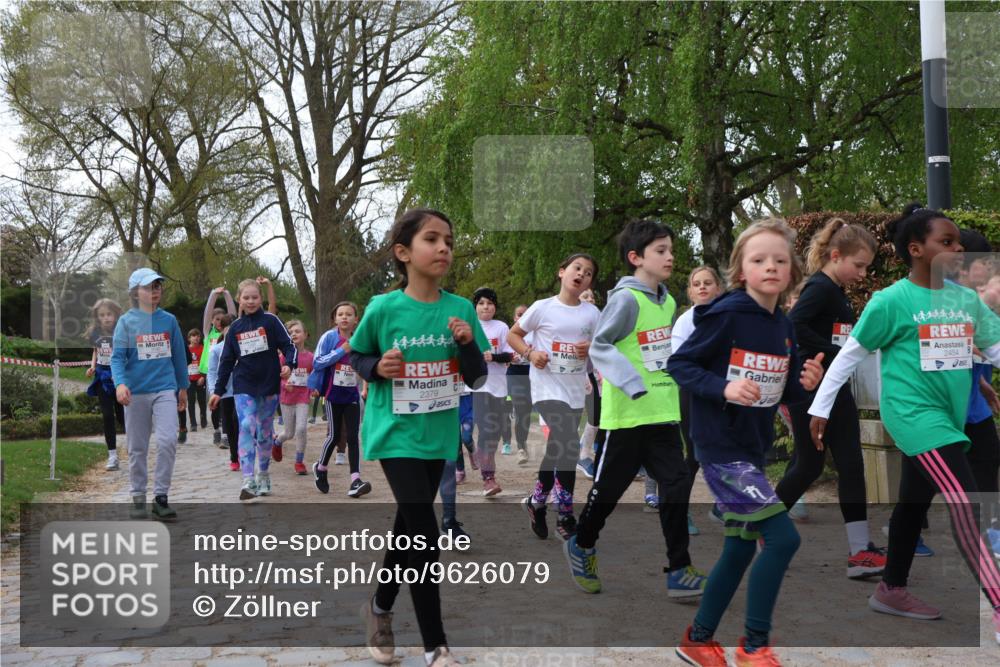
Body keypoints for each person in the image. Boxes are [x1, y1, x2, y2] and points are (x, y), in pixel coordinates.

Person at [808, 205, 1000, 641]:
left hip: (948, 417)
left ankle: (892, 589)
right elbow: (850, 356)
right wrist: (819, 407)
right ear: (916, 250)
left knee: (913, 503)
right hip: (913, 416)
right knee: (966, 503)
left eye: (957, 243)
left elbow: (995, 347)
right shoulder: (891, 301)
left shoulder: (965, 300)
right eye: (946, 243)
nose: (957, 250)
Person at [669, 218, 824, 665]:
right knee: (782, 539)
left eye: (779, 260)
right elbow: (681, 365)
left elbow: (785, 391)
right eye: (759, 260)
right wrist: (723, 387)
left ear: (792, 271)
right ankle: (754, 647)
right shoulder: (727, 313)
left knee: (738, 549)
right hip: (721, 452)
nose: (771, 267)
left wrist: (806, 381)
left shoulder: (784, 325)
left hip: (750, 453)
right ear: (741, 270)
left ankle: (698, 639)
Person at [349, 208, 488, 667]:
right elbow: (358, 354)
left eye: (449, 239)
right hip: (395, 433)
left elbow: (479, 376)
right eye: (432, 239)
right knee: (425, 533)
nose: (444, 247)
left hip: (438, 434)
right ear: (403, 252)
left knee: (408, 529)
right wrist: (376, 368)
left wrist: (467, 344)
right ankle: (436, 645)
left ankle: (380, 606)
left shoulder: (461, 309)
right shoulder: (384, 308)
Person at [566, 219, 709, 598]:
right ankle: (581, 542)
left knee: (676, 485)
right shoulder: (626, 299)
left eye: (671, 250)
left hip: (662, 413)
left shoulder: (668, 303)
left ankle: (679, 569)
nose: (670, 257)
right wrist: (631, 383)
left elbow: (662, 353)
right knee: (608, 491)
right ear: (635, 258)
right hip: (627, 417)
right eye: (661, 251)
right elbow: (600, 346)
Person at [772, 217, 887, 579]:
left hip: (835, 388)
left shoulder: (833, 290)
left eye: (867, 266)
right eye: (859, 265)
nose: (864, 273)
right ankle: (761, 529)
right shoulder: (820, 288)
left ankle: (859, 551)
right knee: (809, 466)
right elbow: (794, 327)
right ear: (836, 256)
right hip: (811, 387)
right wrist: (836, 357)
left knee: (851, 464)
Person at [509, 253, 601, 541]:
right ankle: (565, 513)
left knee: (557, 449)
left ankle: (537, 503)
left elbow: (601, 349)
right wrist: (530, 353)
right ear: (562, 272)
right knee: (569, 445)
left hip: (574, 387)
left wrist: (592, 351)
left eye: (588, 273)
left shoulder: (592, 314)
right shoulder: (543, 307)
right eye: (577, 268)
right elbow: (514, 335)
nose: (581, 274)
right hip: (547, 387)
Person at [111, 268, 191, 521]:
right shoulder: (125, 322)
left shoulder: (169, 320)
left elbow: (179, 356)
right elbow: (117, 358)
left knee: (168, 441)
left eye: (157, 286)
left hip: (165, 388)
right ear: (136, 292)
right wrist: (120, 384)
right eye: (149, 287)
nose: (154, 291)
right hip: (135, 394)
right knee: (137, 448)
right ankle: (137, 496)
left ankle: (161, 498)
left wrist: (183, 387)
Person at [208, 279, 297, 500]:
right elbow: (226, 361)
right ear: (239, 299)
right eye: (246, 297)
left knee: (265, 432)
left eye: (254, 297)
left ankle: (263, 473)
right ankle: (248, 479)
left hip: (268, 383)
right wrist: (218, 390)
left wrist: (289, 365)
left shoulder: (271, 321)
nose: (250, 301)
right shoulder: (235, 328)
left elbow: (288, 345)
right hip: (244, 384)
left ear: (261, 298)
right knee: (247, 424)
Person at [669, 266, 723, 534]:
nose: (702, 287)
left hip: (723, 393)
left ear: (718, 288)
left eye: (708, 282)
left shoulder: (728, 317)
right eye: (697, 283)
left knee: (725, 451)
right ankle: (680, 511)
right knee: (695, 455)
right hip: (693, 394)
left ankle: (721, 506)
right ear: (690, 292)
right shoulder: (685, 321)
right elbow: (679, 362)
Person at [309, 302, 372, 497]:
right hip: (332, 394)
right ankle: (321, 469)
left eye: (349, 314)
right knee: (334, 436)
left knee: (353, 437)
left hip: (351, 394)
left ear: (356, 320)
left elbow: (364, 364)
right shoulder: (329, 337)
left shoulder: (360, 339)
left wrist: (366, 383)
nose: (344, 317)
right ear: (335, 318)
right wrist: (341, 351)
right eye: (340, 314)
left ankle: (355, 480)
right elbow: (317, 362)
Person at [470, 286, 515, 497]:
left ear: (495, 307)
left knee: (494, 433)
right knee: (486, 430)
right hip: (477, 385)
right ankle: (489, 479)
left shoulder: (501, 327)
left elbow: (510, 356)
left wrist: (493, 358)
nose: (485, 307)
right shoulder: (470, 327)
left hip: (499, 386)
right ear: (475, 306)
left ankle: (481, 457)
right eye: (481, 303)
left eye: (489, 303)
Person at [85, 298, 125, 471]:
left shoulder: (122, 330)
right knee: (107, 416)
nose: (106, 318)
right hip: (102, 377)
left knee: (123, 416)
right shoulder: (95, 333)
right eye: (102, 315)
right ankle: (112, 456)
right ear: (97, 317)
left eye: (109, 314)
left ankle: (136, 450)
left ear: (116, 314)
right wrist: (93, 367)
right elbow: (96, 350)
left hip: (120, 378)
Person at [276, 320, 314, 474]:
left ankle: (299, 462)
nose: (294, 334)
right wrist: (285, 384)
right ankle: (277, 441)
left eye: (298, 331)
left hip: (303, 397)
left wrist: (314, 388)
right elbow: (275, 376)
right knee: (289, 433)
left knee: (301, 429)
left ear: (305, 335)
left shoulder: (310, 357)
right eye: (291, 332)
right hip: (287, 398)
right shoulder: (283, 357)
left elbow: (313, 374)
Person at [199, 287, 237, 445]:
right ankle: (216, 429)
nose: (219, 322)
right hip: (212, 372)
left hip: (229, 373)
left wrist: (228, 294)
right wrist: (213, 295)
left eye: (222, 319)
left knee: (228, 404)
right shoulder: (209, 334)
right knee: (215, 403)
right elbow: (207, 314)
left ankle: (226, 434)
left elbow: (233, 314)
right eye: (216, 319)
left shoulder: (231, 333)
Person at [207, 314, 239, 470]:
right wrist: (213, 391)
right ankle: (234, 456)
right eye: (229, 329)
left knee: (239, 422)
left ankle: (243, 451)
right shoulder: (216, 349)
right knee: (230, 426)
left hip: (243, 390)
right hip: (225, 393)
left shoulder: (244, 346)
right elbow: (212, 371)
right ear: (223, 330)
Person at [506, 303, 534, 465]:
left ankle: (522, 443)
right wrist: (509, 357)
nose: (522, 317)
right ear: (514, 317)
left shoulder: (534, 334)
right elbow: (499, 353)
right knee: (519, 406)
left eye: (525, 314)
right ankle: (521, 448)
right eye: (519, 314)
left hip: (530, 373)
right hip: (514, 374)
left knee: (525, 413)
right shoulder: (508, 333)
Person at [186, 329, 208, 432]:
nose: (196, 338)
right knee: (191, 401)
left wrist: (203, 376)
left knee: (202, 400)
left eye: (198, 336)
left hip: (200, 378)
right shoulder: (186, 350)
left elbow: (206, 363)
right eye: (193, 336)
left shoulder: (203, 349)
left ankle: (203, 419)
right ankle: (193, 423)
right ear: (189, 338)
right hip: (189, 379)